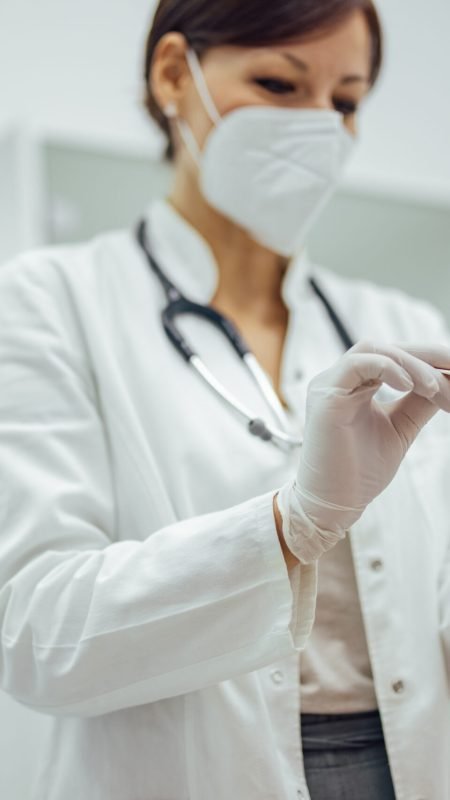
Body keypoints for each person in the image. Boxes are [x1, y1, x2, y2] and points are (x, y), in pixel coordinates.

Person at [0, 1, 449, 798]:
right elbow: (37, 638)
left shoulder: (403, 326)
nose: (320, 126)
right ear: (175, 74)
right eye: (280, 83)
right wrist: (289, 526)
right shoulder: (49, 303)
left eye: (346, 102)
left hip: (408, 764)